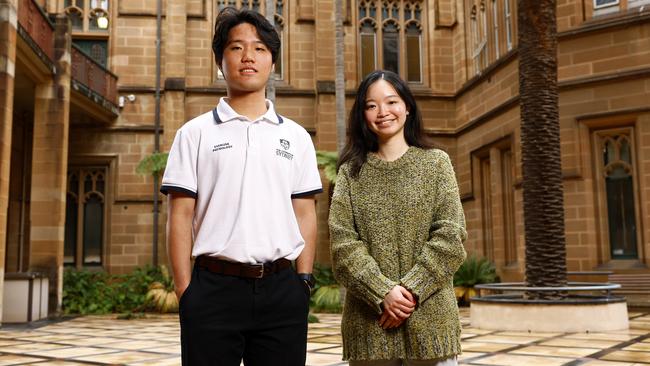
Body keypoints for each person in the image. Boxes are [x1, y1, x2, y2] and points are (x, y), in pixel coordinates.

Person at [160, 7, 322, 366]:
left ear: (273, 62)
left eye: (260, 48)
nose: (248, 56)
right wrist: (186, 292)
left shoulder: (295, 136)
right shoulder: (194, 133)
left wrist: (304, 281)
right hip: (212, 289)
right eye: (236, 48)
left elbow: (305, 212)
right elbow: (180, 215)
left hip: (282, 290)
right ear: (221, 60)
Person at [328, 70, 467, 366]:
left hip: (432, 322)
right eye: (371, 105)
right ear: (362, 114)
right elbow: (342, 245)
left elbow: (451, 236)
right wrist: (382, 292)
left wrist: (410, 292)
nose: (383, 112)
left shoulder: (436, 164)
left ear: (408, 107)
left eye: (391, 102)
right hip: (369, 325)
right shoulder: (350, 173)